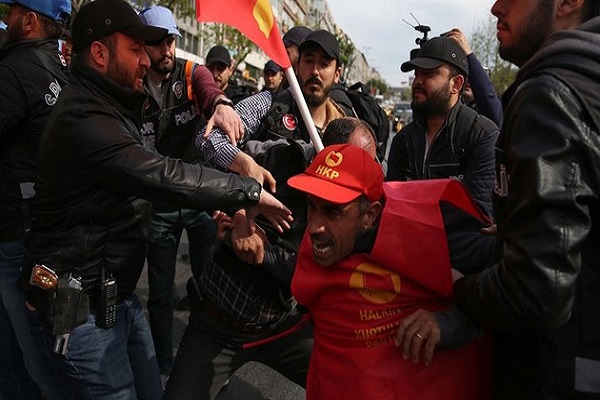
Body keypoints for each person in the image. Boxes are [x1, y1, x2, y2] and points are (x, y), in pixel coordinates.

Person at [16, 1, 291, 399]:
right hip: (82, 315)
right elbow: (163, 174)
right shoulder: (85, 119)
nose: (147, 59)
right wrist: (247, 190)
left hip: (116, 300)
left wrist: (220, 107)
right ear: (99, 52)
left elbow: (203, 84)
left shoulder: (113, 102)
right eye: (136, 49)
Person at [453, 0, 600, 399]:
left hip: (557, 372)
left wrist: (456, 290)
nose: (496, 7)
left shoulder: (551, 93)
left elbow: (538, 289)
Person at [287, 144, 494, 399]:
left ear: (370, 215)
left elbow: (513, 276)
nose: (315, 227)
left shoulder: (429, 232)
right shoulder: (320, 238)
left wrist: (450, 321)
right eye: (311, 206)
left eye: (332, 211)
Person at [138, 5, 244, 379]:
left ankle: (209, 369)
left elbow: (209, 88)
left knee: (210, 290)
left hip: (201, 200)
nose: (165, 49)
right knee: (161, 295)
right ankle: (164, 370)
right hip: (161, 206)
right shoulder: (131, 85)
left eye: (171, 40)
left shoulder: (190, 72)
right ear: (141, 46)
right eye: (156, 42)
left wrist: (222, 106)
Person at [0, 0, 70, 398]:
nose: (6, 18)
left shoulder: (14, 71)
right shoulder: (57, 70)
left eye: (11, 11)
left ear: (28, 21)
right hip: (41, 230)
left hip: (15, 236)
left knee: (32, 353)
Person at [386, 36, 499, 217]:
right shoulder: (404, 140)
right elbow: (391, 206)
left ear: (456, 84)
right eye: (416, 74)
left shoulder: (481, 136)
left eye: (429, 73)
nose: (418, 81)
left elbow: (478, 217)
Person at [443, 28, 503, 127]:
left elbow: (488, 101)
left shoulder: (488, 115)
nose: (468, 82)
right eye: (465, 76)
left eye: (472, 78)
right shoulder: (450, 112)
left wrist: (468, 54)